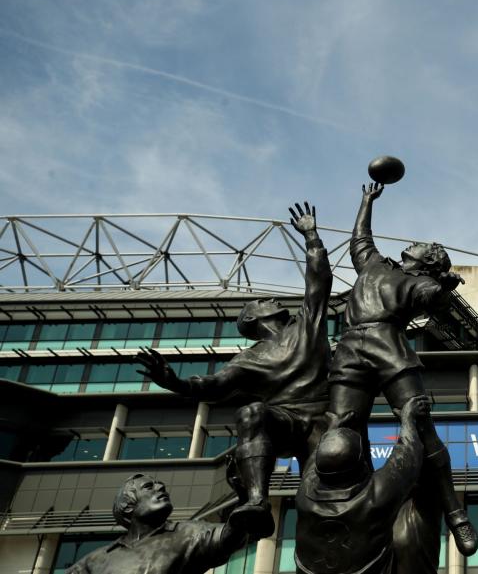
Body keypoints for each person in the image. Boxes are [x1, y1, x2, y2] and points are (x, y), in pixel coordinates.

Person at [136, 201, 332, 538]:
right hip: (286, 422)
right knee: (251, 413)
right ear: (255, 318)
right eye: (265, 302)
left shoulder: (306, 326)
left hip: (325, 419)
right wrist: (174, 382)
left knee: (322, 498)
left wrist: (311, 236)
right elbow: (212, 385)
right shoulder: (248, 359)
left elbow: (319, 280)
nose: (273, 300)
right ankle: (256, 502)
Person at [324, 182, 478, 555]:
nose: (415, 242)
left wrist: (444, 284)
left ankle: (455, 513)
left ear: (427, 261)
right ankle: (343, 511)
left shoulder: (421, 283)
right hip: (349, 349)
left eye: (423, 244)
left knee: (421, 425)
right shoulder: (375, 264)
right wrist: (366, 201)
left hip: (388, 346)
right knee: (339, 429)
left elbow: (436, 300)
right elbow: (360, 239)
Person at [295, 395, 432, 574]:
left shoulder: (304, 496)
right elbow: (409, 453)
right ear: (361, 463)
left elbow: (314, 462)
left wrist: (332, 428)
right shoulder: (375, 496)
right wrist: (408, 419)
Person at [66, 474, 249, 574]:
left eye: (160, 485)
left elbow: (230, 536)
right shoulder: (96, 560)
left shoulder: (188, 532)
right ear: (127, 506)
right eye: (148, 487)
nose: (160, 488)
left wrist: (246, 498)